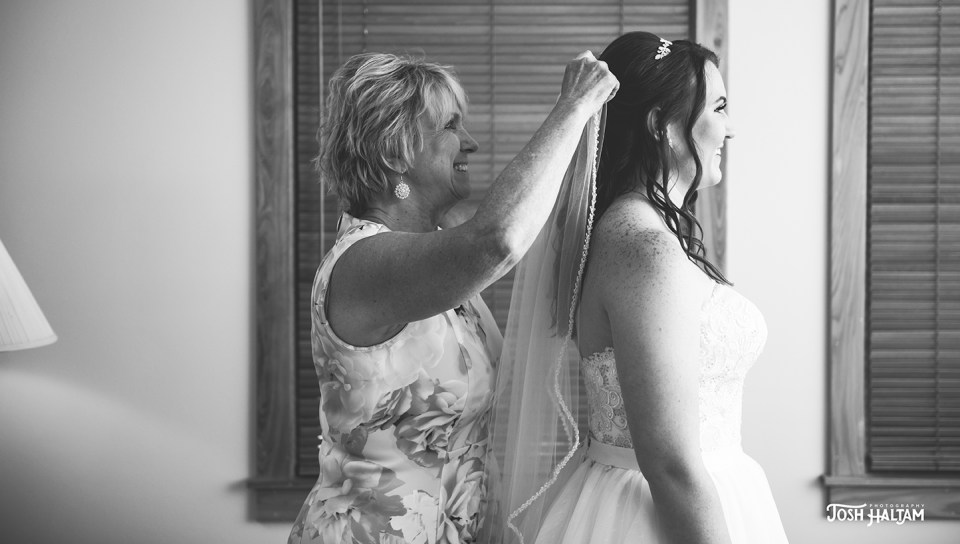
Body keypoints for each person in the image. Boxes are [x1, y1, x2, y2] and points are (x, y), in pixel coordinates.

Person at [287, 50, 618, 544]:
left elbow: (522, 220)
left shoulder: (435, 252)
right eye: (450, 126)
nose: (472, 142)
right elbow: (498, 239)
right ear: (394, 152)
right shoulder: (363, 265)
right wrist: (573, 106)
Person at [488, 31, 789, 544]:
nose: (730, 128)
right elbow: (670, 464)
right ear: (662, 126)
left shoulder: (637, 234)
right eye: (719, 107)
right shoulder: (643, 248)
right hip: (655, 514)